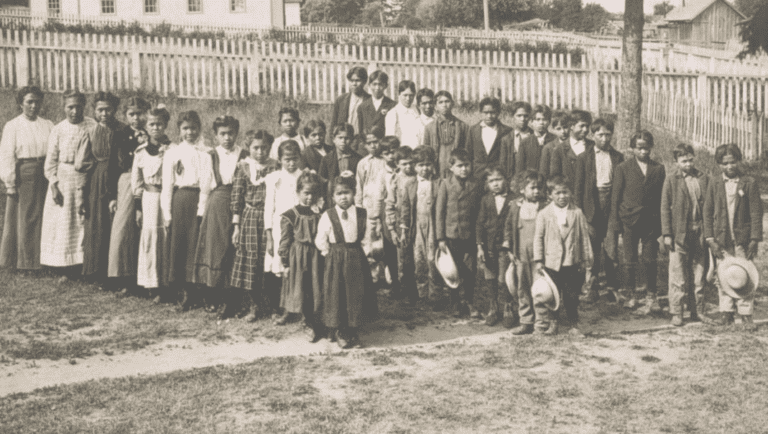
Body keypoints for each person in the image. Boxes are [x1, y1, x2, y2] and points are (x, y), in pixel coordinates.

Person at [194, 116, 249, 318]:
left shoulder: (245, 155)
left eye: (231, 133)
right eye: (222, 134)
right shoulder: (210, 155)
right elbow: (205, 187)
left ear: (237, 133)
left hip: (239, 203)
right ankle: (213, 296)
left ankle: (232, 298)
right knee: (216, 249)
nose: (227, 138)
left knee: (234, 250)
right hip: (217, 204)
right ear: (216, 135)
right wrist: (201, 212)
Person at [315, 175, 377, 349]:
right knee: (337, 295)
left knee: (355, 295)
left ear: (354, 193)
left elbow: (366, 237)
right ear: (332, 197)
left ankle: (353, 329)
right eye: (339, 194)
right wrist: (328, 254)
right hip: (335, 259)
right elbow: (321, 238)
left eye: (347, 193)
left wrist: (365, 254)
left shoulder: (361, 213)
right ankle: (339, 330)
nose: (343, 197)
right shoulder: (328, 215)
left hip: (356, 258)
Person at [704, 144, 762, 326]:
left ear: (739, 161)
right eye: (725, 163)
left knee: (744, 275)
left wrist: (754, 238)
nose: (729, 167)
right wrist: (710, 239)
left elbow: (755, 212)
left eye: (733, 162)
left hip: (742, 239)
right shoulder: (714, 182)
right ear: (719, 164)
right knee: (723, 275)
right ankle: (726, 312)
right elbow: (707, 211)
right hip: (721, 239)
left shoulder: (749, 182)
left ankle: (745, 313)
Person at [609, 130, 665, 314]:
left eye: (646, 148)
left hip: (650, 222)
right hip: (629, 220)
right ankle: (630, 294)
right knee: (630, 260)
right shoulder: (623, 168)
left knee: (650, 259)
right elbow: (616, 197)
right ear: (632, 148)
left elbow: (661, 199)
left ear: (651, 148)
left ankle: (651, 295)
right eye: (639, 148)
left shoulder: (658, 168)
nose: (643, 151)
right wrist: (616, 223)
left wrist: (662, 226)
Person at [161, 110, 213, 310]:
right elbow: (167, 185)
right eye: (185, 128)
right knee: (180, 247)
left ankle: (198, 292)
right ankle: (182, 293)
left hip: (197, 201)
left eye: (193, 128)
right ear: (179, 130)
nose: (190, 132)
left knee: (196, 247)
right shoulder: (172, 153)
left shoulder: (205, 153)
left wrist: (201, 210)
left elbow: (206, 184)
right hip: (179, 201)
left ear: (199, 129)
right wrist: (167, 213)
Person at [40, 90, 97, 272]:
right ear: (63, 107)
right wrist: (54, 185)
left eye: (78, 107)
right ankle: (63, 265)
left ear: (84, 107)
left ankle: (82, 262)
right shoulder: (58, 129)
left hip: (85, 177)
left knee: (81, 218)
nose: (74, 111)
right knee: (63, 220)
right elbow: (51, 162)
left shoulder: (92, 125)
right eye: (70, 107)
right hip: (63, 179)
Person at [76, 92, 129, 284]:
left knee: (116, 223)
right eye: (100, 110)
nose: (105, 114)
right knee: (97, 223)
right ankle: (96, 271)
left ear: (114, 110)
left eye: (108, 109)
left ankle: (116, 272)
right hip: (97, 180)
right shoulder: (90, 132)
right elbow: (83, 165)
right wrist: (81, 192)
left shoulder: (123, 130)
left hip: (119, 178)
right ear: (95, 111)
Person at [0, 86, 53, 272]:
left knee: (45, 217)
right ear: (20, 103)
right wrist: (10, 183)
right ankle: (26, 262)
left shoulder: (47, 124)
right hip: (26, 173)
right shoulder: (13, 126)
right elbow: (6, 155)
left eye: (37, 101)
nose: (33, 105)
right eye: (29, 101)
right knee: (27, 217)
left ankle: (44, 260)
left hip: (45, 172)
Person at [230, 130, 281, 322]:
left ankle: (274, 305)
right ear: (248, 148)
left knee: (270, 260)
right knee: (251, 263)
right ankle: (254, 305)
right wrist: (236, 226)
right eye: (255, 148)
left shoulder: (276, 166)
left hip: (271, 218)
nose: (260, 152)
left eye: (264, 147)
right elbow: (236, 197)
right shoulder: (243, 168)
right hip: (250, 218)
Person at [533, 175, 593, 335]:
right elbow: (538, 237)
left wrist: (586, 260)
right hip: (551, 262)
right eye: (558, 193)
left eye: (565, 192)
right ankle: (554, 322)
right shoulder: (544, 214)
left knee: (571, 295)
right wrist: (539, 260)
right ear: (550, 195)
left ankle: (574, 323)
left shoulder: (577, 213)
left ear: (571, 193)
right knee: (552, 295)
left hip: (571, 262)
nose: (562, 196)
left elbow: (584, 238)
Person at [573, 118, 624, 303]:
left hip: (611, 206)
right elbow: (578, 189)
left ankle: (612, 287)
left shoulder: (618, 157)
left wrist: (618, 211)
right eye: (600, 134)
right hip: (591, 207)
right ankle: (592, 287)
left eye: (607, 134)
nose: (604, 138)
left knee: (611, 249)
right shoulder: (584, 158)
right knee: (592, 250)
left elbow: (620, 186)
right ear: (592, 135)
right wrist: (580, 213)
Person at [661, 144, 710, 326]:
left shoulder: (703, 178)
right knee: (678, 275)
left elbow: (709, 205)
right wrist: (667, 233)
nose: (688, 164)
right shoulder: (671, 180)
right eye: (683, 161)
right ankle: (677, 311)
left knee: (699, 274)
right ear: (676, 162)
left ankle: (698, 310)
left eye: (690, 160)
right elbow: (665, 208)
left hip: (699, 231)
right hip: (679, 233)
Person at [109, 97, 151, 294]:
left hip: (149, 183)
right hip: (126, 180)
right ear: (125, 116)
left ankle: (144, 278)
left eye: (140, 113)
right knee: (123, 228)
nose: (136, 118)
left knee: (145, 228)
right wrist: (112, 196)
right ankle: (123, 278)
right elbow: (112, 166)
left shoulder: (153, 131)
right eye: (131, 114)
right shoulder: (120, 135)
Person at [278, 171, 325, 341]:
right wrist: (285, 261)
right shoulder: (291, 215)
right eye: (306, 193)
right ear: (298, 193)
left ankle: (319, 320)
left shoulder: (321, 213)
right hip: (299, 257)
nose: (310, 197)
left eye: (313, 193)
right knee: (303, 288)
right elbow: (285, 240)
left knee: (317, 288)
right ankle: (307, 322)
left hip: (317, 255)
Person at [132, 106, 172, 302]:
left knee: (164, 238)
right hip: (148, 199)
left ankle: (166, 285)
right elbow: (137, 183)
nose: (155, 128)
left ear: (165, 126)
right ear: (146, 126)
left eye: (159, 124)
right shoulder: (140, 152)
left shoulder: (172, 151)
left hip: (166, 198)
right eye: (152, 124)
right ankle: (151, 284)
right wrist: (138, 208)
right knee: (149, 239)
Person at [436, 149, 480, 317]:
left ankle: (469, 301)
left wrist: (478, 238)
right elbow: (439, 213)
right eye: (460, 166)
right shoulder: (445, 185)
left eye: (467, 165)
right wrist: (440, 238)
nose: (464, 169)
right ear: (451, 167)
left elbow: (478, 212)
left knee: (470, 270)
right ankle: (455, 302)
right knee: (452, 270)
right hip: (451, 235)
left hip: (470, 235)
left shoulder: (476, 184)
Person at [503, 170, 548, 334]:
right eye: (533, 188)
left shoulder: (544, 206)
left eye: (539, 188)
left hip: (538, 258)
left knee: (539, 289)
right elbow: (508, 226)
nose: (537, 191)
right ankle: (526, 321)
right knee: (522, 288)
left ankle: (541, 322)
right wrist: (509, 248)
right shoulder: (515, 206)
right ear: (522, 189)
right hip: (520, 255)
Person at [265, 140, 304, 323]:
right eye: (287, 159)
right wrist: (269, 236)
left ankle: (297, 307)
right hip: (280, 228)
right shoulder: (274, 178)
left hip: (299, 227)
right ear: (279, 160)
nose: (291, 163)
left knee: (296, 266)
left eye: (294, 159)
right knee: (280, 267)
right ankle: (279, 307)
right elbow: (269, 208)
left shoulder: (304, 176)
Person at [399, 146, 441, 308]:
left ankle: (435, 295)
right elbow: (405, 208)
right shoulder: (410, 184)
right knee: (419, 260)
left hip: (433, 227)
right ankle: (422, 294)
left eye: (427, 164)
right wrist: (404, 230)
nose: (424, 168)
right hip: (417, 227)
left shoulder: (438, 183)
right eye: (421, 165)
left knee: (433, 259)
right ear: (415, 166)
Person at [475, 166, 513, 327]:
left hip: (505, 246)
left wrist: (511, 243)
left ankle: (508, 307)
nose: (495, 184)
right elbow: (480, 223)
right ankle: (493, 307)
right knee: (490, 277)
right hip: (488, 245)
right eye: (491, 181)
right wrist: (479, 246)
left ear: (505, 180)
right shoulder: (486, 199)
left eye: (498, 180)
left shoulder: (514, 199)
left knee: (504, 278)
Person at [385, 145, 416, 302]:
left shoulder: (417, 178)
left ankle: (417, 291)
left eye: (411, 163)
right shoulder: (396, 180)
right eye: (404, 163)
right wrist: (392, 229)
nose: (408, 166)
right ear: (397, 164)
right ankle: (405, 291)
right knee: (403, 260)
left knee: (416, 258)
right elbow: (390, 204)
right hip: (399, 223)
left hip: (416, 222)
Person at [422, 91, 469, 179]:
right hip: (438, 169)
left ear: (452, 103)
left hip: (456, 169)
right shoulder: (429, 128)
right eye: (440, 102)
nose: (444, 105)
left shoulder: (463, 126)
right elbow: (426, 153)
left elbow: (467, 150)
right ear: (435, 106)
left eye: (447, 101)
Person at [466, 97, 514, 182]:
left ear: (498, 112)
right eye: (486, 113)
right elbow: (469, 154)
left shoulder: (507, 131)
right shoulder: (473, 130)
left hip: (497, 176)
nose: (489, 116)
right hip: (477, 175)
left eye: (492, 112)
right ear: (480, 112)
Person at [550, 110, 593, 193]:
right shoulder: (559, 150)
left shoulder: (593, 146)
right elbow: (555, 178)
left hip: (589, 195)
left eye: (587, 126)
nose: (585, 129)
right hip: (569, 194)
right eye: (582, 126)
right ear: (572, 126)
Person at [319, 124, 362, 202]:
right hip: (333, 199)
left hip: (352, 198)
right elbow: (322, 182)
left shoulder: (358, 159)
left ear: (352, 139)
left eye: (347, 138)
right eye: (340, 138)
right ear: (334, 139)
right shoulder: (327, 159)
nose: (343, 141)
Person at [356, 71, 395, 156]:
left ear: (385, 86)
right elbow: (361, 132)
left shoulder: (392, 105)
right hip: (367, 149)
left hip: (385, 149)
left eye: (380, 84)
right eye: (374, 84)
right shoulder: (362, 107)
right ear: (369, 85)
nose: (377, 88)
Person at [331, 66, 370, 136]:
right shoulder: (341, 100)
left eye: (357, 80)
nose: (354, 84)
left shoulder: (370, 100)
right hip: (344, 139)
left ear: (364, 81)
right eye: (352, 81)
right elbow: (333, 124)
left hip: (361, 139)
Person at [515, 104, 555, 173]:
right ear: (531, 122)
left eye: (544, 119)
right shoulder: (525, 143)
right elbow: (520, 169)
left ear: (549, 122)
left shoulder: (555, 140)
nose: (541, 123)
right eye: (538, 119)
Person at [386, 80, 421, 150]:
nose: (408, 99)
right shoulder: (393, 113)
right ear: (399, 94)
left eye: (411, 95)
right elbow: (390, 139)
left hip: (418, 151)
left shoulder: (418, 110)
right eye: (405, 95)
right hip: (402, 152)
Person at [539, 110, 569, 178]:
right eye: (558, 129)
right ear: (553, 129)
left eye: (565, 127)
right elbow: (544, 173)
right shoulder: (548, 148)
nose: (563, 131)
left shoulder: (576, 145)